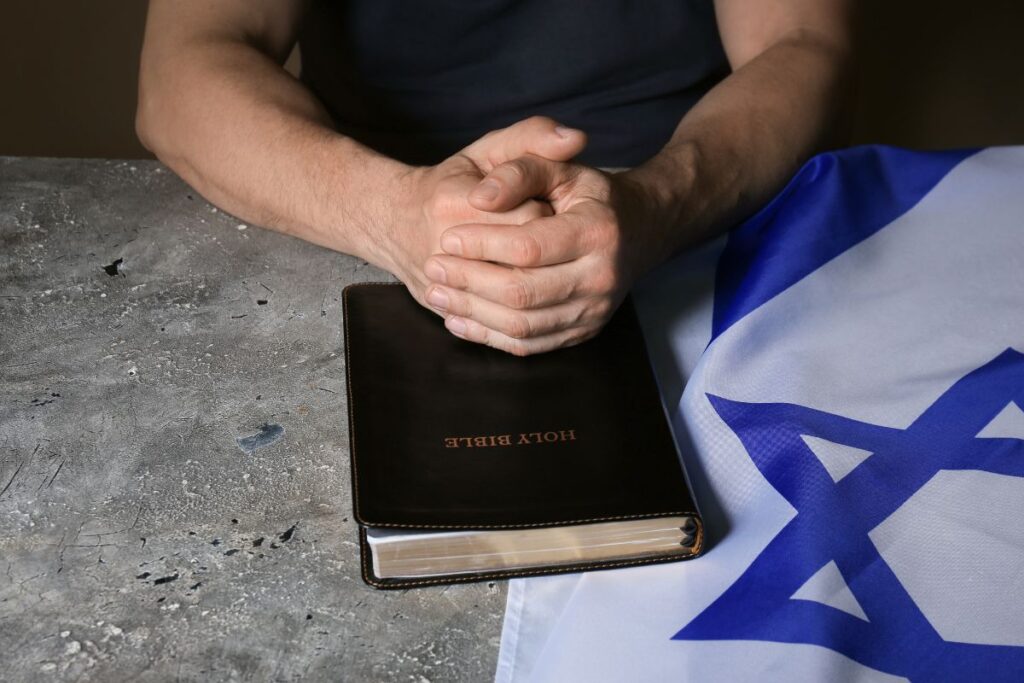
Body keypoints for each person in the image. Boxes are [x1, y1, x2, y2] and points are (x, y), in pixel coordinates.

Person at [136, 0, 854, 356]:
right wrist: (397, 214)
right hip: (352, 227)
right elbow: (182, 71)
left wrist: (654, 204)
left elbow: (800, 41)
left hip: (694, 217)